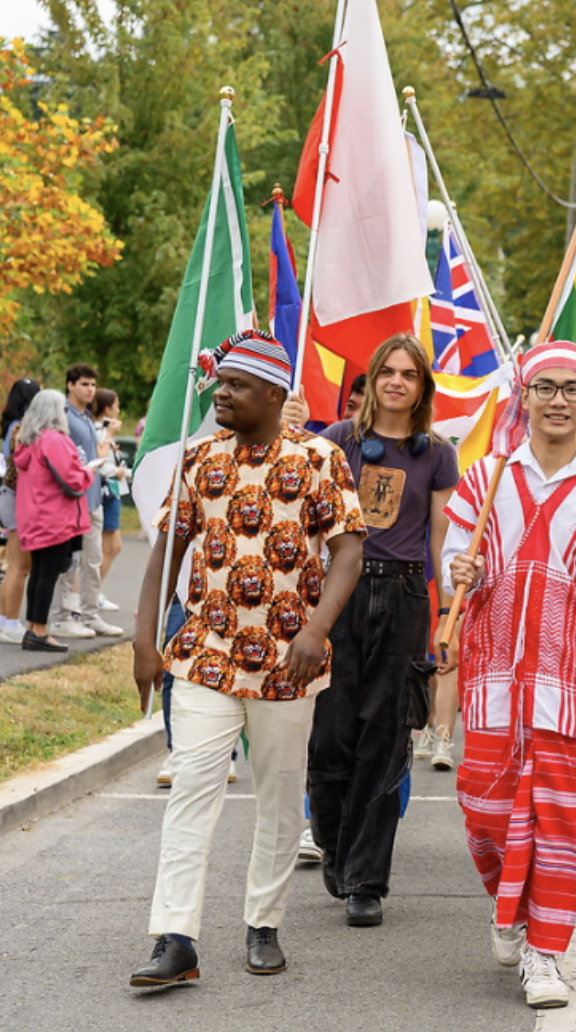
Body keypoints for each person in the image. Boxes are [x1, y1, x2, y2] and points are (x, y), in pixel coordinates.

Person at [127, 330, 364, 988]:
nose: (220, 394)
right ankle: (175, 938)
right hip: (206, 656)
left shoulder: (320, 460)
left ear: (274, 394)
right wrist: (145, 639)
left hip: (290, 666)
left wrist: (318, 629)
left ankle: (264, 922)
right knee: (192, 793)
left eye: (234, 386)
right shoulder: (200, 458)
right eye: (220, 383)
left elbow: (348, 550)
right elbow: (165, 553)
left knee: (281, 799)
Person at [442, 341, 576, 1010]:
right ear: (524, 398)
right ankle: (508, 906)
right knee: (483, 812)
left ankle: (544, 952)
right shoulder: (486, 479)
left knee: (559, 828)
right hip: (492, 681)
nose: (557, 399)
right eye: (545, 387)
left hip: (570, 689)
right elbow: (454, 561)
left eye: (570, 389)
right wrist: (460, 576)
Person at [307, 334, 459, 928]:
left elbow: (443, 538)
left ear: (422, 386)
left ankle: (367, 880)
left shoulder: (436, 453)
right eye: (388, 372)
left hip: (401, 594)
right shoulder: (335, 442)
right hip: (337, 592)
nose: (397, 382)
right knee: (330, 734)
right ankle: (333, 841)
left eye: (410, 374)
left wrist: (447, 610)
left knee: (384, 734)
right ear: (372, 380)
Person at [11, 390, 95, 653]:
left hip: (34, 515)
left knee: (38, 573)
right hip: (54, 517)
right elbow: (72, 479)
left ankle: (32, 629)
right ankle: (40, 632)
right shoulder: (54, 440)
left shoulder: (28, 440)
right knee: (47, 575)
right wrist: (89, 472)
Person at [49, 363, 119, 639]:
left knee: (92, 560)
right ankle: (63, 617)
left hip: (93, 500)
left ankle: (90, 615)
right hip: (72, 502)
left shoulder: (86, 416)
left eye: (92, 385)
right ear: (70, 385)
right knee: (71, 564)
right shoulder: (63, 417)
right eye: (84, 384)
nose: (90, 390)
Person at [0, 378, 42, 645]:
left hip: (8, 497)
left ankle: (5, 620)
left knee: (14, 565)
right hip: (16, 498)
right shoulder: (22, 429)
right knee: (20, 566)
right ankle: (11, 622)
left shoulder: (10, 425)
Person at [91, 388, 131, 606]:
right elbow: (102, 463)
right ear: (107, 409)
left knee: (112, 547)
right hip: (106, 492)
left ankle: (93, 592)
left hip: (112, 491)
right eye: (116, 406)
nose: (118, 410)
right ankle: (91, 594)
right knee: (108, 548)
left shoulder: (102, 430)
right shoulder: (101, 432)